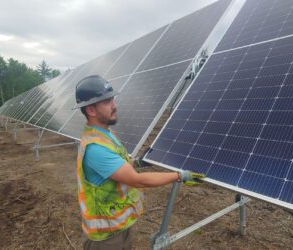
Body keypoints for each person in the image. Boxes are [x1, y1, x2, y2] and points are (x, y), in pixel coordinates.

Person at [74, 75, 205, 250]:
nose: (115, 105)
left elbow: (121, 165)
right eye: (107, 102)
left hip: (116, 226)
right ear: (91, 110)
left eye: (113, 99)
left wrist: (139, 162)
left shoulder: (105, 134)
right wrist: (179, 176)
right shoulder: (95, 149)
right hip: (105, 238)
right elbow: (137, 180)